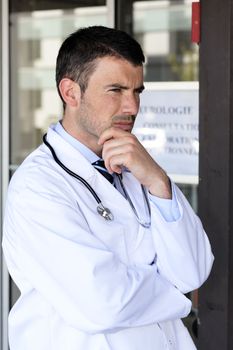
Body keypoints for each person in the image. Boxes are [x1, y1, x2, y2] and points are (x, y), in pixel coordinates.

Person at [2, 26, 214, 350]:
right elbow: (103, 303)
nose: (131, 107)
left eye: (137, 91)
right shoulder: (37, 187)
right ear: (71, 93)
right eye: (115, 90)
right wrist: (175, 293)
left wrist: (158, 180)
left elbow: (193, 270)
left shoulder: (139, 167)